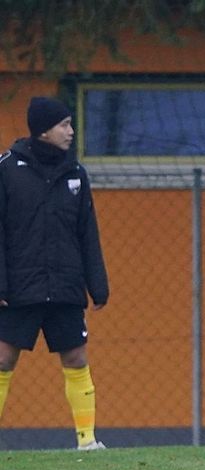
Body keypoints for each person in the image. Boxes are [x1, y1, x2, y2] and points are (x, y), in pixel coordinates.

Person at [0, 97, 109, 451]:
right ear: (43, 129)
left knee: (76, 357)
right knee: (3, 358)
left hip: (64, 286)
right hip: (19, 287)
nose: (71, 131)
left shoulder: (75, 172)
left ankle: (87, 440)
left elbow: (86, 232)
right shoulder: (6, 169)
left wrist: (97, 284)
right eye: (64, 125)